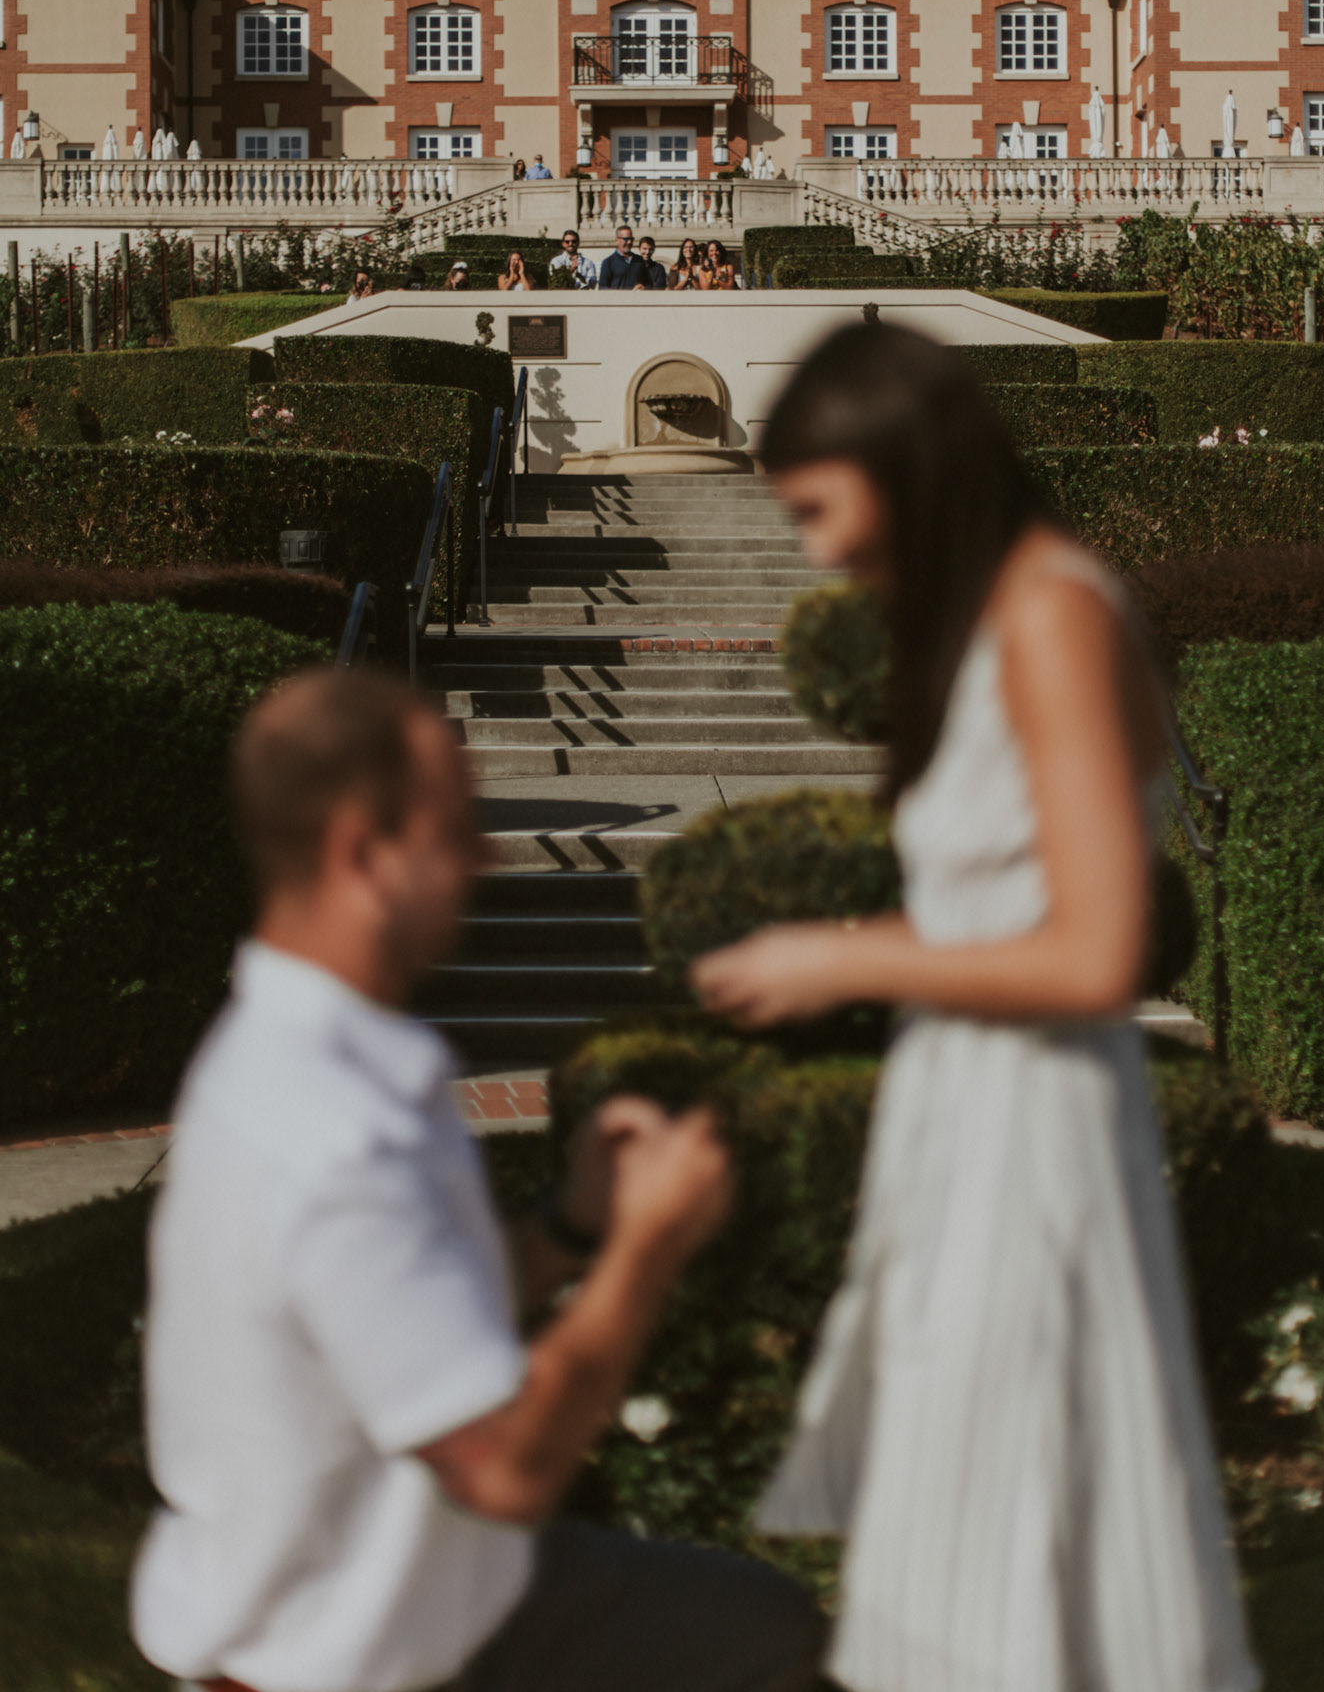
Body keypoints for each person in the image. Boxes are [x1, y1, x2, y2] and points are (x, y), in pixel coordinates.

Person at [692, 321, 1257, 1692]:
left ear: (904, 464)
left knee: (1013, 1526)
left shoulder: (1053, 611)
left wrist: (845, 961)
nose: (818, 550)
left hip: (1034, 1118)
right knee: (965, 1526)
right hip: (973, 1113)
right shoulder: (993, 619)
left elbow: (1097, 949)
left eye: (822, 507)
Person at [132, 668, 825, 1692]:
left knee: (765, 1621)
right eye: (455, 827)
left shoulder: (299, 1053)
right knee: (767, 1636)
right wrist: (646, 1245)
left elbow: (405, 1322)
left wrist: (567, 1227)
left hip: (430, 1594)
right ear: (362, 852)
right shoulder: (331, 1129)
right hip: (354, 1655)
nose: (485, 854)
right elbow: (506, 1466)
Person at [596, 225, 648, 292]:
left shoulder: (639, 261)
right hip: (617, 301)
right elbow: (603, 288)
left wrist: (643, 287)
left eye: (631, 239)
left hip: (636, 301)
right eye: (626, 239)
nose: (629, 242)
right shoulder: (608, 262)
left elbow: (648, 284)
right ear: (617, 240)